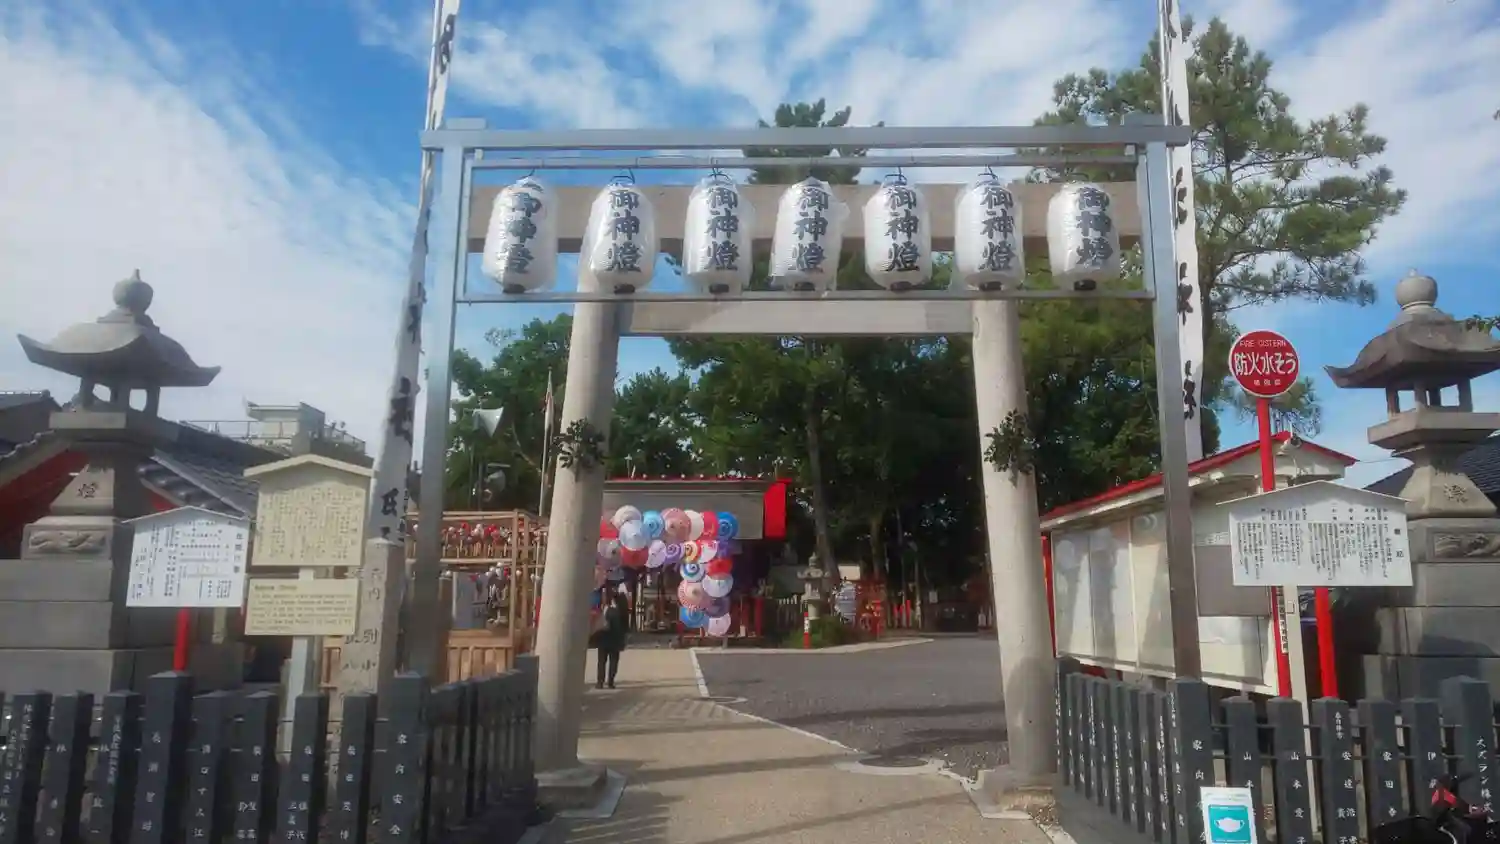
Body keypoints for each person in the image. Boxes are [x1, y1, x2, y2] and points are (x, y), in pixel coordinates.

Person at [595, 592, 629, 689]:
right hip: (616, 640)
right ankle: (611, 682)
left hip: (604, 639)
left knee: (601, 661)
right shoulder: (623, 613)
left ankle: (600, 682)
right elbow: (626, 629)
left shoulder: (606, 610)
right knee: (613, 661)